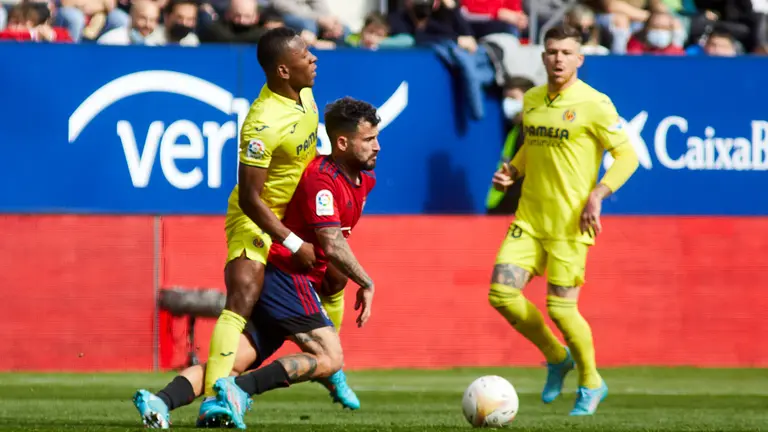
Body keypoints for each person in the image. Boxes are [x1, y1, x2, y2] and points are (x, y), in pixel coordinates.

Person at [132, 97, 380, 429]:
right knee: (331, 357)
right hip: (289, 278)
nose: (377, 147)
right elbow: (332, 243)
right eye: (368, 140)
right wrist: (366, 281)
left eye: (377, 138)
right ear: (342, 142)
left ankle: (160, 401)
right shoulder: (322, 180)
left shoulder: (365, 181)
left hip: (290, 283)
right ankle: (239, 391)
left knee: (233, 362)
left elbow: (336, 247)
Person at [488, 24, 639, 416]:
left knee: (561, 309)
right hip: (530, 217)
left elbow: (628, 157)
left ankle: (592, 382)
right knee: (501, 295)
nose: (558, 59)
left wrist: (597, 195)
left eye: (566, 53)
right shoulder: (534, 99)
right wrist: (513, 173)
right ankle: (557, 357)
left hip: (571, 222)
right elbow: (530, 147)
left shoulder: (595, 103)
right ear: (543, 56)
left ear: (579, 59)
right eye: (552, 51)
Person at [198, 26, 321, 425]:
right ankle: (216, 397)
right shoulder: (261, 123)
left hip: (292, 216)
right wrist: (292, 239)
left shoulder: (306, 94)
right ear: (283, 70)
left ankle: (334, 370)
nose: (314, 58)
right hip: (257, 217)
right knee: (244, 294)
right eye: (305, 55)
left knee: (334, 276)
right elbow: (251, 198)